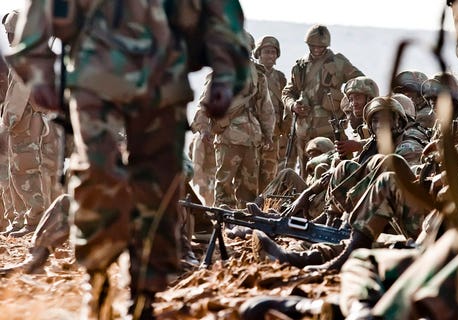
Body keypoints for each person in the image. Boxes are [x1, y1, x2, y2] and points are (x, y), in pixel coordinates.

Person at [5, 1, 250, 318]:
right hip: (93, 79)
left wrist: (229, 73)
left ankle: (144, 294)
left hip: (163, 80)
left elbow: (221, 10)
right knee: (97, 177)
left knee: (160, 186)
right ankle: (98, 279)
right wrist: (36, 70)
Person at [252, 96, 428, 268]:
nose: (380, 125)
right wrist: (308, 192)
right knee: (345, 166)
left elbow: (406, 185)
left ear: (400, 123)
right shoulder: (372, 148)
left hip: (396, 218)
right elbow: (347, 173)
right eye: (375, 120)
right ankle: (325, 230)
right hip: (370, 215)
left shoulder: (408, 146)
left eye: (386, 119)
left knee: (387, 165)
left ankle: (313, 252)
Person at [281, 24, 363, 178]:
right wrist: (293, 106)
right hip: (304, 130)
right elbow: (287, 92)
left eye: (321, 46)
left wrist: (345, 100)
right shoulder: (300, 66)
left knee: (334, 170)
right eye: (313, 46)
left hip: (330, 130)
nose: (317, 49)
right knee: (305, 173)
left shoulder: (338, 62)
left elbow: (361, 82)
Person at [0, 10, 52, 237]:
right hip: (30, 121)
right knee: (22, 171)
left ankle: (34, 219)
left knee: (25, 171)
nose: (8, 37)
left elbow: (19, 94)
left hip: (25, 122)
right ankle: (27, 218)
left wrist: (6, 123)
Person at [211, 32, 275, 208]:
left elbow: (265, 108)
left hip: (252, 137)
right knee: (224, 184)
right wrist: (206, 129)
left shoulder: (258, 76)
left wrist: (267, 134)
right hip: (228, 135)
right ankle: (223, 222)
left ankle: (245, 223)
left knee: (248, 188)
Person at [253, 35, 288, 188]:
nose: (270, 55)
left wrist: (285, 129)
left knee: (269, 173)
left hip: (273, 134)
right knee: (249, 174)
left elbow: (284, 104)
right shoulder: (252, 73)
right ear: (258, 54)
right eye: (266, 52)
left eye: (273, 52)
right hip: (253, 130)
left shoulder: (280, 78)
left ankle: (263, 208)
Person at [335, 76, 379, 159]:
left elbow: (387, 142)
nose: (354, 103)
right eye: (351, 99)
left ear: (369, 98)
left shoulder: (382, 120)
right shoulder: (361, 130)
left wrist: (358, 145)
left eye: (358, 97)